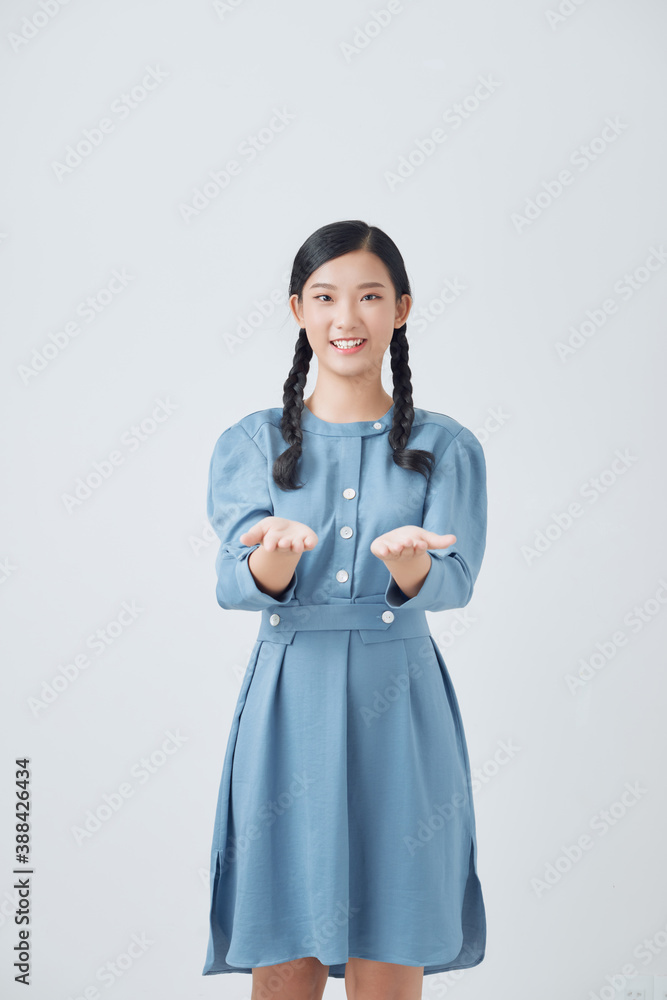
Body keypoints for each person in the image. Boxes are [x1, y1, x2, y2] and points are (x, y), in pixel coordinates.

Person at [201, 219, 488, 1000]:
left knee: (394, 925)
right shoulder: (252, 443)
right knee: (284, 930)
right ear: (298, 308)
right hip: (288, 701)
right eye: (325, 296)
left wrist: (412, 568)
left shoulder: (446, 444)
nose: (345, 318)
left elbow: (457, 580)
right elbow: (233, 579)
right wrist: (275, 557)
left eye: (367, 296)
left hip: (401, 705)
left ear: (401, 308)